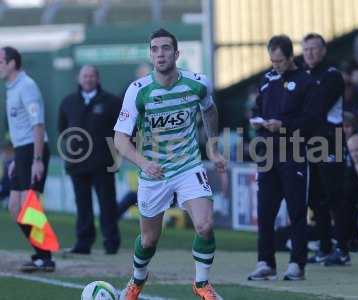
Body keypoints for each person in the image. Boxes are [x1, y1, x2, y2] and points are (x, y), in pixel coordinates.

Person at [114, 28, 226, 300]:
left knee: (205, 225)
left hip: (189, 166)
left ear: (176, 54)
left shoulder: (198, 83)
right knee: (149, 240)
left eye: (166, 48)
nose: (160, 53)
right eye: (155, 49)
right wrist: (144, 162)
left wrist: (213, 146)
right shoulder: (138, 91)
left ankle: (201, 284)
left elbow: (209, 109)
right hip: (154, 174)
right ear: (150, 54)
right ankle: (137, 281)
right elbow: (120, 140)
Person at [247, 35, 322, 281]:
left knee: (296, 210)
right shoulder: (267, 80)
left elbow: (311, 121)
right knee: (265, 211)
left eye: (279, 61)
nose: (274, 65)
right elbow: (257, 109)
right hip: (268, 154)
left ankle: (296, 264)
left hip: (295, 153)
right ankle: (265, 262)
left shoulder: (306, 82)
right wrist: (258, 121)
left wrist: (284, 125)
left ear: (291, 58)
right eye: (272, 60)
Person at [0, 46, 54, 271]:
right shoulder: (11, 87)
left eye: (1, 60)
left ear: (12, 63)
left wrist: (37, 159)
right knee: (14, 207)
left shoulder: (27, 86)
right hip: (22, 152)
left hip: (34, 149)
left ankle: (45, 257)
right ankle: (41, 253)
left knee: (28, 205)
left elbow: (37, 124)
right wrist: (15, 160)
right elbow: (18, 128)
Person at [58, 65, 121, 255]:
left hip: (103, 164)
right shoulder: (68, 102)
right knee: (82, 205)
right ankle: (83, 243)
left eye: (92, 76)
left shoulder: (111, 102)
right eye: (85, 76)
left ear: (98, 78)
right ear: (79, 78)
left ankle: (111, 243)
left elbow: (122, 131)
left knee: (107, 204)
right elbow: (62, 129)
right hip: (77, 165)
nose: (88, 79)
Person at [301, 33, 351, 266]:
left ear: (323, 51)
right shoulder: (303, 75)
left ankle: (342, 249)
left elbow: (317, 109)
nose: (309, 53)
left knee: (335, 196)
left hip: (330, 140)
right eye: (306, 49)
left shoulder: (332, 76)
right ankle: (324, 247)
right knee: (316, 197)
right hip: (312, 141)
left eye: (314, 48)